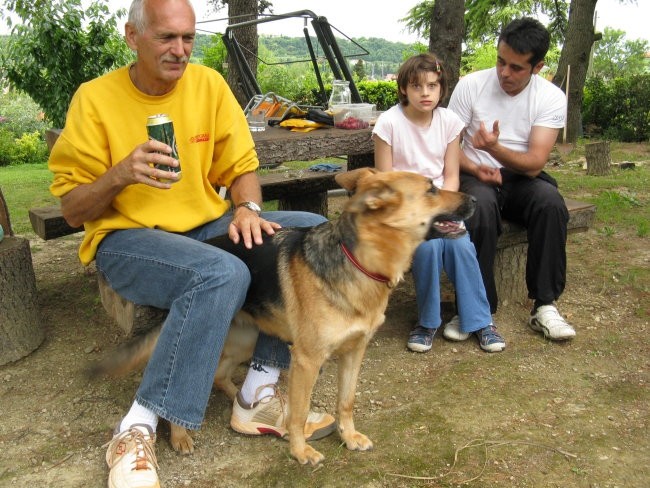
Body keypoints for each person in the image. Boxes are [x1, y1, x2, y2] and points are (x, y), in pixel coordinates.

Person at [48, 0, 335, 486]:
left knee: (310, 230)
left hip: (204, 227)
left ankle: (258, 392)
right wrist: (120, 174)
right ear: (132, 37)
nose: (180, 51)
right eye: (166, 38)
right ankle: (137, 425)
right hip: (126, 239)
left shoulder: (207, 85)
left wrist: (248, 209)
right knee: (224, 273)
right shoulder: (95, 99)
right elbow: (74, 210)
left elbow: (241, 168)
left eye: (187, 38)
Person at [448, 17, 576, 341]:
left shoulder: (550, 97)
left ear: (537, 67)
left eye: (516, 67)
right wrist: (476, 167)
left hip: (521, 177)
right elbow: (447, 146)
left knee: (550, 204)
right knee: (479, 207)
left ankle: (545, 305)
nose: (504, 73)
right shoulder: (471, 85)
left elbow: (534, 163)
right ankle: (477, 308)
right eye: (500, 62)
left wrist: (494, 148)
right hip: (473, 172)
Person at [372, 53, 506, 354]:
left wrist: (446, 212)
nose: (425, 93)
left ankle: (480, 320)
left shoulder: (449, 122)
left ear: (442, 89)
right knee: (429, 247)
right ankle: (427, 321)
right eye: (417, 86)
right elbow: (385, 182)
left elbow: (451, 176)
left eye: (432, 86)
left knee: (460, 245)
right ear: (404, 88)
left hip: (440, 205)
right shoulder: (388, 123)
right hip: (406, 211)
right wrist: (419, 215)